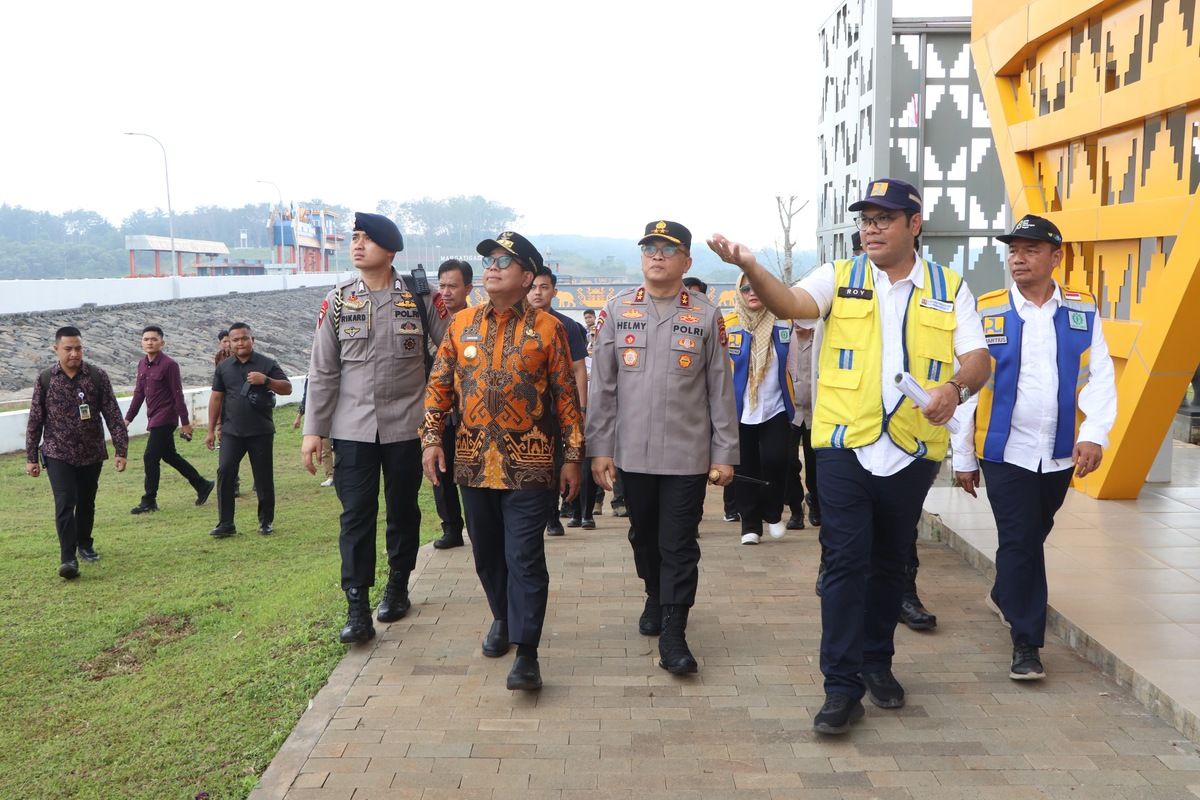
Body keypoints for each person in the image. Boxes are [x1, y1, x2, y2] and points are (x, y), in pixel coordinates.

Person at [708, 178, 990, 734]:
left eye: (885, 217)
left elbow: (978, 357)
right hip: (843, 447)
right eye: (865, 218)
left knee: (891, 563)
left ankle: (876, 663)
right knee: (844, 562)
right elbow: (791, 303)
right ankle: (840, 686)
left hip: (909, 450)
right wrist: (753, 268)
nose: (871, 227)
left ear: (915, 224)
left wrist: (954, 389)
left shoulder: (949, 286)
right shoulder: (839, 275)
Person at [952, 214, 1116, 681]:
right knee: (1023, 540)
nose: (1018, 258)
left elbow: (1101, 376)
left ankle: (1007, 592)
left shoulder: (1083, 311)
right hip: (1004, 450)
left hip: (1061, 451)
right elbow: (968, 387)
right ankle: (1026, 642)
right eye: (1013, 250)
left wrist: (1093, 434)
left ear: (1055, 257)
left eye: (1030, 250)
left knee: (1029, 537)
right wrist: (963, 456)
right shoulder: (987, 311)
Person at [421, 230, 583, 691]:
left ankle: (528, 651)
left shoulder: (549, 330)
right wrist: (432, 440)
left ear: (526, 276)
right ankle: (501, 618)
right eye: (489, 259)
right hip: (472, 460)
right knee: (487, 554)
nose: (492, 266)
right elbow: (438, 388)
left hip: (530, 464)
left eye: (503, 261)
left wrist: (572, 457)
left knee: (524, 556)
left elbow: (566, 399)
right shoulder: (460, 324)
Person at [588, 220, 739, 674]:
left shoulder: (707, 315)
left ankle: (674, 631)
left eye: (668, 249)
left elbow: (720, 389)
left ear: (686, 261)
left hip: (686, 455)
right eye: (650, 247)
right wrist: (600, 447)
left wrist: (724, 453)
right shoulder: (616, 312)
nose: (657, 255)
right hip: (632, 452)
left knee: (678, 543)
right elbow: (605, 388)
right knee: (644, 537)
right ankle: (654, 592)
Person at [302, 213, 449, 645]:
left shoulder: (421, 298)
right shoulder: (339, 300)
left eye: (368, 239)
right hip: (352, 429)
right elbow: (324, 370)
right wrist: (315, 430)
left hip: (408, 426)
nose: (358, 245)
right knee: (356, 516)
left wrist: (442, 412)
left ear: (390, 250)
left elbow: (452, 351)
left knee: (403, 511)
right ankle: (357, 607)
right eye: (355, 238)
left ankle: (398, 586)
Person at [25, 326, 129, 578]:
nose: (74, 353)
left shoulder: (96, 376)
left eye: (78, 348)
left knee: (86, 501)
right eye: (68, 348)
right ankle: (68, 558)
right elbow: (35, 419)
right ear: (56, 348)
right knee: (64, 502)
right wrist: (31, 457)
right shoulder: (46, 378)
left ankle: (85, 543)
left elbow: (113, 414)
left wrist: (120, 449)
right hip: (56, 452)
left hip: (91, 452)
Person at [206, 322, 292, 538]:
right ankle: (226, 523)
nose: (240, 342)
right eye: (235, 339)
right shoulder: (223, 367)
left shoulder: (267, 363)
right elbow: (216, 398)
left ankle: (265, 522)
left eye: (244, 338)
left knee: (263, 478)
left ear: (252, 340)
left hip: (260, 431)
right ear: (230, 343)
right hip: (231, 432)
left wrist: (267, 380)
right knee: (225, 472)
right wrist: (211, 430)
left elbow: (287, 388)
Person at [727, 274, 795, 545]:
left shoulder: (783, 322)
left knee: (777, 460)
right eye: (745, 288)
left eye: (757, 287)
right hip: (740, 411)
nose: (752, 293)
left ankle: (774, 511)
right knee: (745, 468)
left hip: (775, 407)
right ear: (739, 293)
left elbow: (797, 363)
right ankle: (750, 524)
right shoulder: (729, 325)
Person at [527, 266, 591, 532]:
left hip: (558, 407)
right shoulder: (518, 323)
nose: (537, 293)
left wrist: (582, 408)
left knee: (556, 462)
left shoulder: (567, 326)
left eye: (544, 287)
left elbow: (579, 369)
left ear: (554, 291)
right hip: (527, 409)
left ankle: (554, 515)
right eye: (533, 287)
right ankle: (540, 514)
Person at [125, 325, 214, 513]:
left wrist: (186, 423)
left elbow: (177, 394)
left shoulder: (169, 365)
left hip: (166, 417)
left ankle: (149, 500)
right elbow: (139, 394)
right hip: (153, 416)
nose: (150, 342)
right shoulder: (142, 364)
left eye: (154, 339)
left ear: (162, 342)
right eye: (146, 339)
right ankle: (202, 484)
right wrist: (127, 420)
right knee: (169, 456)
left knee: (150, 457)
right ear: (142, 342)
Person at [430, 258, 474, 550]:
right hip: (439, 410)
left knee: (469, 473)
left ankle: (477, 527)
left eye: (452, 286)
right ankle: (451, 528)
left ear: (468, 287)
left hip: (470, 411)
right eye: (442, 285)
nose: (446, 292)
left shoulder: (478, 319)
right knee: (440, 469)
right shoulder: (431, 318)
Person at [784, 320, 820, 532]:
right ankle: (796, 510)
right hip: (791, 412)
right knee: (787, 463)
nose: (798, 322)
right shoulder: (784, 337)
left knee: (815, 464)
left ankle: (815, 500)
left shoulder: (822, 336)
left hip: (817, 414)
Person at [294, 378, 333, 487]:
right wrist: (299, 417)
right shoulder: (310, 377)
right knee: (325, 448)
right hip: (322, 417)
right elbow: (307, 398)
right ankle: (330, 476)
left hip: (339, 415)